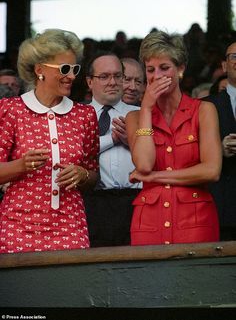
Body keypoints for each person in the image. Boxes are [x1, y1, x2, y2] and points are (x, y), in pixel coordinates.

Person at [0, 29, 99, 254]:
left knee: (69, 287)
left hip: (70, 227)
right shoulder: (10, 110)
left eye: (75, 69)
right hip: (17, 227)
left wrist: (82, 175)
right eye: (64, 69)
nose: (72, 76)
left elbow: (93, 174)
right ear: (39, 70)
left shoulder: (85, 115)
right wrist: (21, 166)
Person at [126, 30, 222, 246]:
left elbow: (211, 170)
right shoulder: (136, 116)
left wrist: (154, 177)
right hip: (148, 224)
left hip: (195, 222)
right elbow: (143, 164)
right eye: (150, 70)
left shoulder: (204, 110)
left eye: (164, 68)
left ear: (180, 69)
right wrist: (147, 110)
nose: (157, 76)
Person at [83, 52, 142, 247]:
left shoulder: (141, 115)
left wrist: (132, 141)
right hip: (92, 204)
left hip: (135, 202)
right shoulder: (76, 116)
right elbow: (76, 152)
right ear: (90, 82)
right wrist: (113, 139)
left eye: (118, 76)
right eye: (104, 76)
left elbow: (157, 156)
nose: (113, 82)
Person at [204, 42, 236, 240]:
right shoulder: (206, 106)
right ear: (224, 66)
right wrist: (218, 150)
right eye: (234, 56)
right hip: (222, 205)